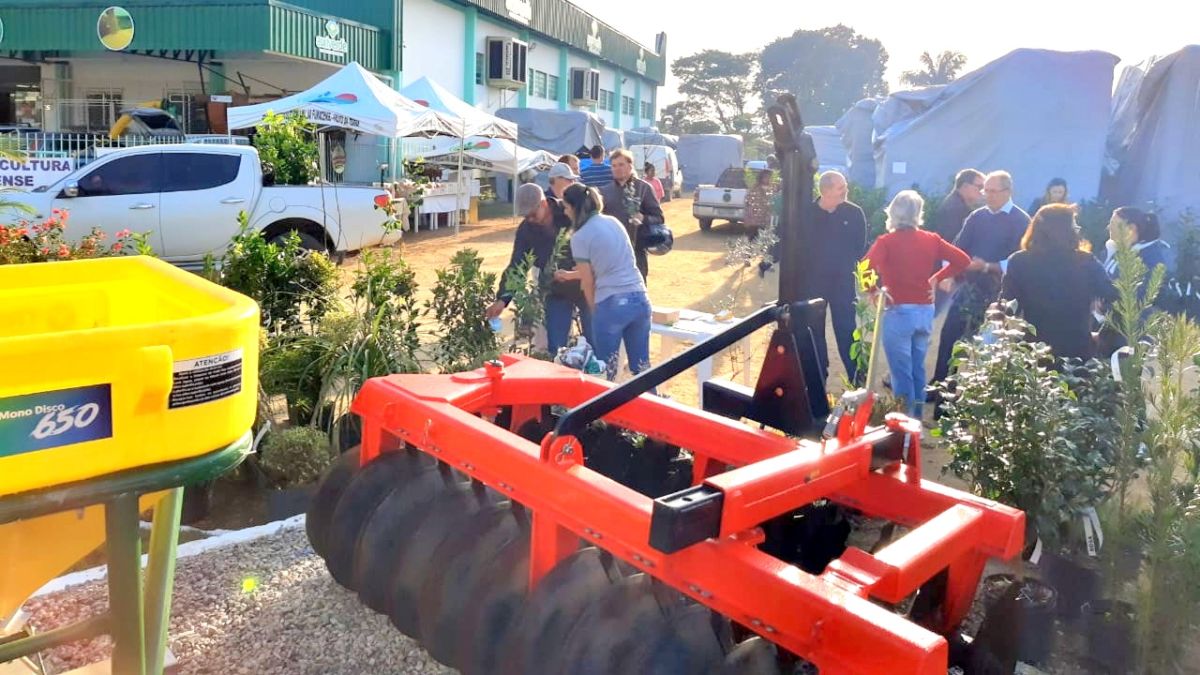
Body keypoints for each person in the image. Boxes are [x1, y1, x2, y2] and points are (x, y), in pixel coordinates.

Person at [863, 190, 971, 416]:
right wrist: (937, 277)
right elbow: (963, 260)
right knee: (918, 370)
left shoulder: (886, 241)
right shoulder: (931, 239)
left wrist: (873, 291)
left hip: (898, 310)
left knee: (901, 373)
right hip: (924, 310)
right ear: (918, 213)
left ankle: (905, 426)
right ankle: (917, 422)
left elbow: (864, 268)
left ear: (893, 212)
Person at [931, 170, 1029, 388]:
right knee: (949, 336)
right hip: (969, 288)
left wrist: (987, 266)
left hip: (1000, 294)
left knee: (986, 348)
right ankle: (941, 385)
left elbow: (1020, 261)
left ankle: (976, 392)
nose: (988, 195)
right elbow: (956, 248)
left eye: (994, 191)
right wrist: (947, 274)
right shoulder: (977, 217)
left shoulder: (1021, 221)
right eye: (986, 190)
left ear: (1008, 191)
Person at [554, 183, 651, 380]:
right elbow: (608, 265)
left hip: (611, 302)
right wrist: (570, 275)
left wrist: (593, 309)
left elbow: (588, 281)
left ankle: (606, 411)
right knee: (643, 369)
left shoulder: (579, 237)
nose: (564, 211)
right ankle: (653, 404)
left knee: (605, 372)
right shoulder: (613, 222)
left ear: (574, 207)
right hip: (639, 297)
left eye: (565, 207)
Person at [1001, 204, 1117, 361]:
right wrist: (1104, 335)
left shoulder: (1019, 261)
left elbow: (1007, 306)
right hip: (1077, 349)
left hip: (1034, 350)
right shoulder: (1085, 262)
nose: (1078, 227)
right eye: (1074, 224)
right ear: (1065, 230)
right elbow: (1117, 299)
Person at [486, 183, 591, 355]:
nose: (529, 219)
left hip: (585, 285)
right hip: (555, 290)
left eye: (532, 214)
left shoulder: (569, 213)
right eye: (525, 216)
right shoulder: (526, 229)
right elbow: (517, 266)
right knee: (556, 349)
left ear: (543, 204)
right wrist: (502, 299)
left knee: (595, 342)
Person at [807, 170, 867, 385]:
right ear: (826, 190)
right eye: (841, 187)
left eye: (845, 186)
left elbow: (861, 248)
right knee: (814, 330)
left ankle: (856, 377)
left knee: (847, 330)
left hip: (843, 284)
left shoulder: (854, 213)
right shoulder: (808, 213)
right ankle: (818, 378)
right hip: (813, 284)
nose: (846, 190)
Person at [599, 149, 664, 281]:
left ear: (630, 166)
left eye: (621, 164)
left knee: (637, 292)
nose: (617, 168)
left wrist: (643, 218)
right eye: (614, 165)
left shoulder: (644, 189)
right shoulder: (604, 192)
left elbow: (659, 218)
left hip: (637, 251)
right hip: (612, 253)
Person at [1103, 206, 1175, 283]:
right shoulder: (1117, 251)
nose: (1109, 227)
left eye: (1113, 224)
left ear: (1131, 228)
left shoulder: (1149, 261)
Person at [934, 169, 986, 245]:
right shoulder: (955, 208)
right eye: (980, 187)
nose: (982, 191)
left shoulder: (957, 204)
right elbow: (953, 239)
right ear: (965, 186)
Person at [744, 169, 774, 235]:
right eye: (766, 177)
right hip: (754, 221)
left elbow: (771, 203)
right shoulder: (755, 188)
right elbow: (748, 202)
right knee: (753, 239)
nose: (768, 179)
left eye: (769, 177)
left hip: (765, 221)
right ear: (761, 178)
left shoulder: (771, 189)